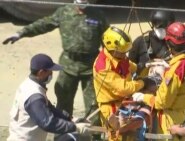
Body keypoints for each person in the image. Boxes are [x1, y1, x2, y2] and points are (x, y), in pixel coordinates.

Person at [3, 0, 109, 130]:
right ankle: (63, 134)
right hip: (68, 65)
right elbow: (43, 24)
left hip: (91, 67)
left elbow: (108, 40)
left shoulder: (98, 14)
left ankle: (94, 135)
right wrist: (21, 33)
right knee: (63, 104)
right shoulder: (64, 12)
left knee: (94, 105)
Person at [132, 22, 185, 141]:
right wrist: (167, 71)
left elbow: (161, 103)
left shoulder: (175, 72)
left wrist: (143, 97)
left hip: (169, 122)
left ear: (169, 44)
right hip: (183, 114)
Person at [7, 53, 91, 141]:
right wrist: (75, 127)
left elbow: (49, 109)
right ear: (41, 72)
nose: (51, 74)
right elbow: (48, 123)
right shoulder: (34, 96)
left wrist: (70, 119)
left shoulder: (29, 84)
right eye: (50, 71)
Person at [93, 26, 152, 141]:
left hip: (126, 103)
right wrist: (143, 83)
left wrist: (145, 66)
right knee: (117, 137)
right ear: (112, 49)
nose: (125, 55)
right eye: (122, 52)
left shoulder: (119, 57)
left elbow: (132, 67)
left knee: (132, 135)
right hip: (111, 108)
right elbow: (123, 88)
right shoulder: (103, 67)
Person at [128, 10, 175, 77]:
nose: (167, 30)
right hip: (143, 82)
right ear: (154, 26)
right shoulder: (140, 42)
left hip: (167, 82)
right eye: (163, 28)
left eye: (169, 28)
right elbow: (129, 65)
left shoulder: (174, 42)